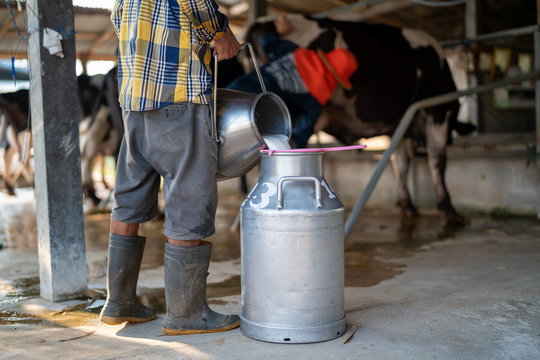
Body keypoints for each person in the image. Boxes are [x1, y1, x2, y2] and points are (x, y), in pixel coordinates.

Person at [99, 0, 241, 335]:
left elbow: (118, 20)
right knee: (190, 195)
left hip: (134, 101)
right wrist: (221, 32)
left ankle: (118, 301)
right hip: (178, 95)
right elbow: (199, 4)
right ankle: (187, 313)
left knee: (130, 193)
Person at [227, 15, 358, 148]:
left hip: (237, 90)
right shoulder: (317, 99)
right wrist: (293, 147)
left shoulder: (296, 52)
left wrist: (280, 31)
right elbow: (302, 130)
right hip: (260, 118)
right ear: (337, 78)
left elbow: (267, 42)